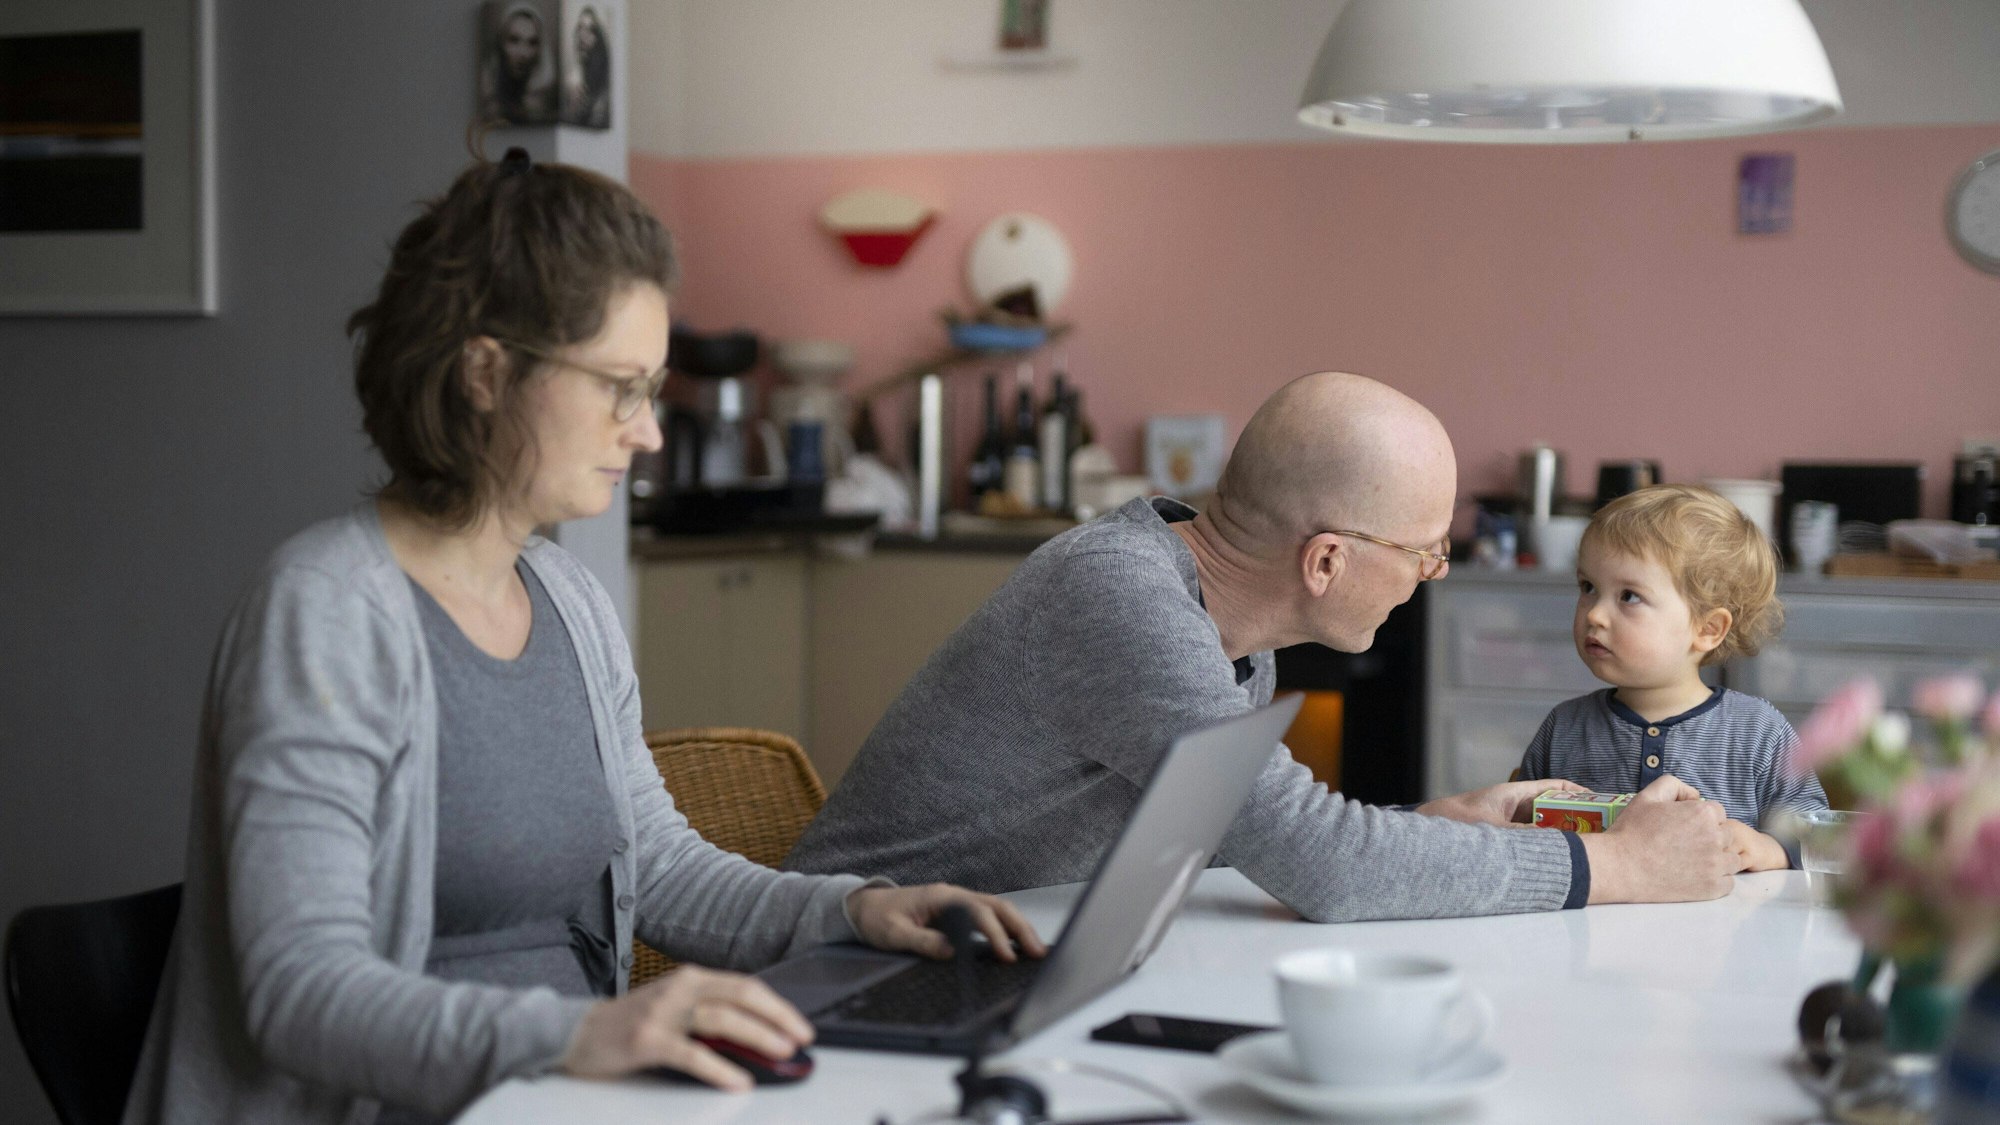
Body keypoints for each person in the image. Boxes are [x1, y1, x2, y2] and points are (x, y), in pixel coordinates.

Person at [122, 150, 1042, 1125]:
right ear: (485, 371)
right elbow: (299, 997)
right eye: (619, 386)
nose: (646, 432)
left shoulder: (566, 597)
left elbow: (655, 865)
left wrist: (851, 911)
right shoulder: (324, 611)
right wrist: (579, 1037)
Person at [787, 372, 1742, 921]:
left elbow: (1260, 841)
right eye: (1426, 550)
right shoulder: (1126, 601)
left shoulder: (1233, 631)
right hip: (851, 971)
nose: (1435, 573)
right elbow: (1323, 866)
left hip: (1011, 950)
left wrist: (1443, 820)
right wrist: (1612, 870)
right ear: (1326, 559)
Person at [1513, 484, 1828, 871]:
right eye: (1588, 587)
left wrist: (1769, 850)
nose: (1594, 614)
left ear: (1708, 628)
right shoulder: (1563, 728)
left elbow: (1816, 835)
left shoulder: (1758, 731)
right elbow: (1515, 833)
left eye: (1629, 596)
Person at [480, 2, 557, 125]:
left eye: (532, 42)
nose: (523, 54)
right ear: (500, 43)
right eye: (514, 40)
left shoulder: (543, 102)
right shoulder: (487, 94)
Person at [562, 5, 612, 129]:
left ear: (598, 38)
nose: (582, 36)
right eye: (580, 28)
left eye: (590, 30)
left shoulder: (605, 87)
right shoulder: (573, 79)